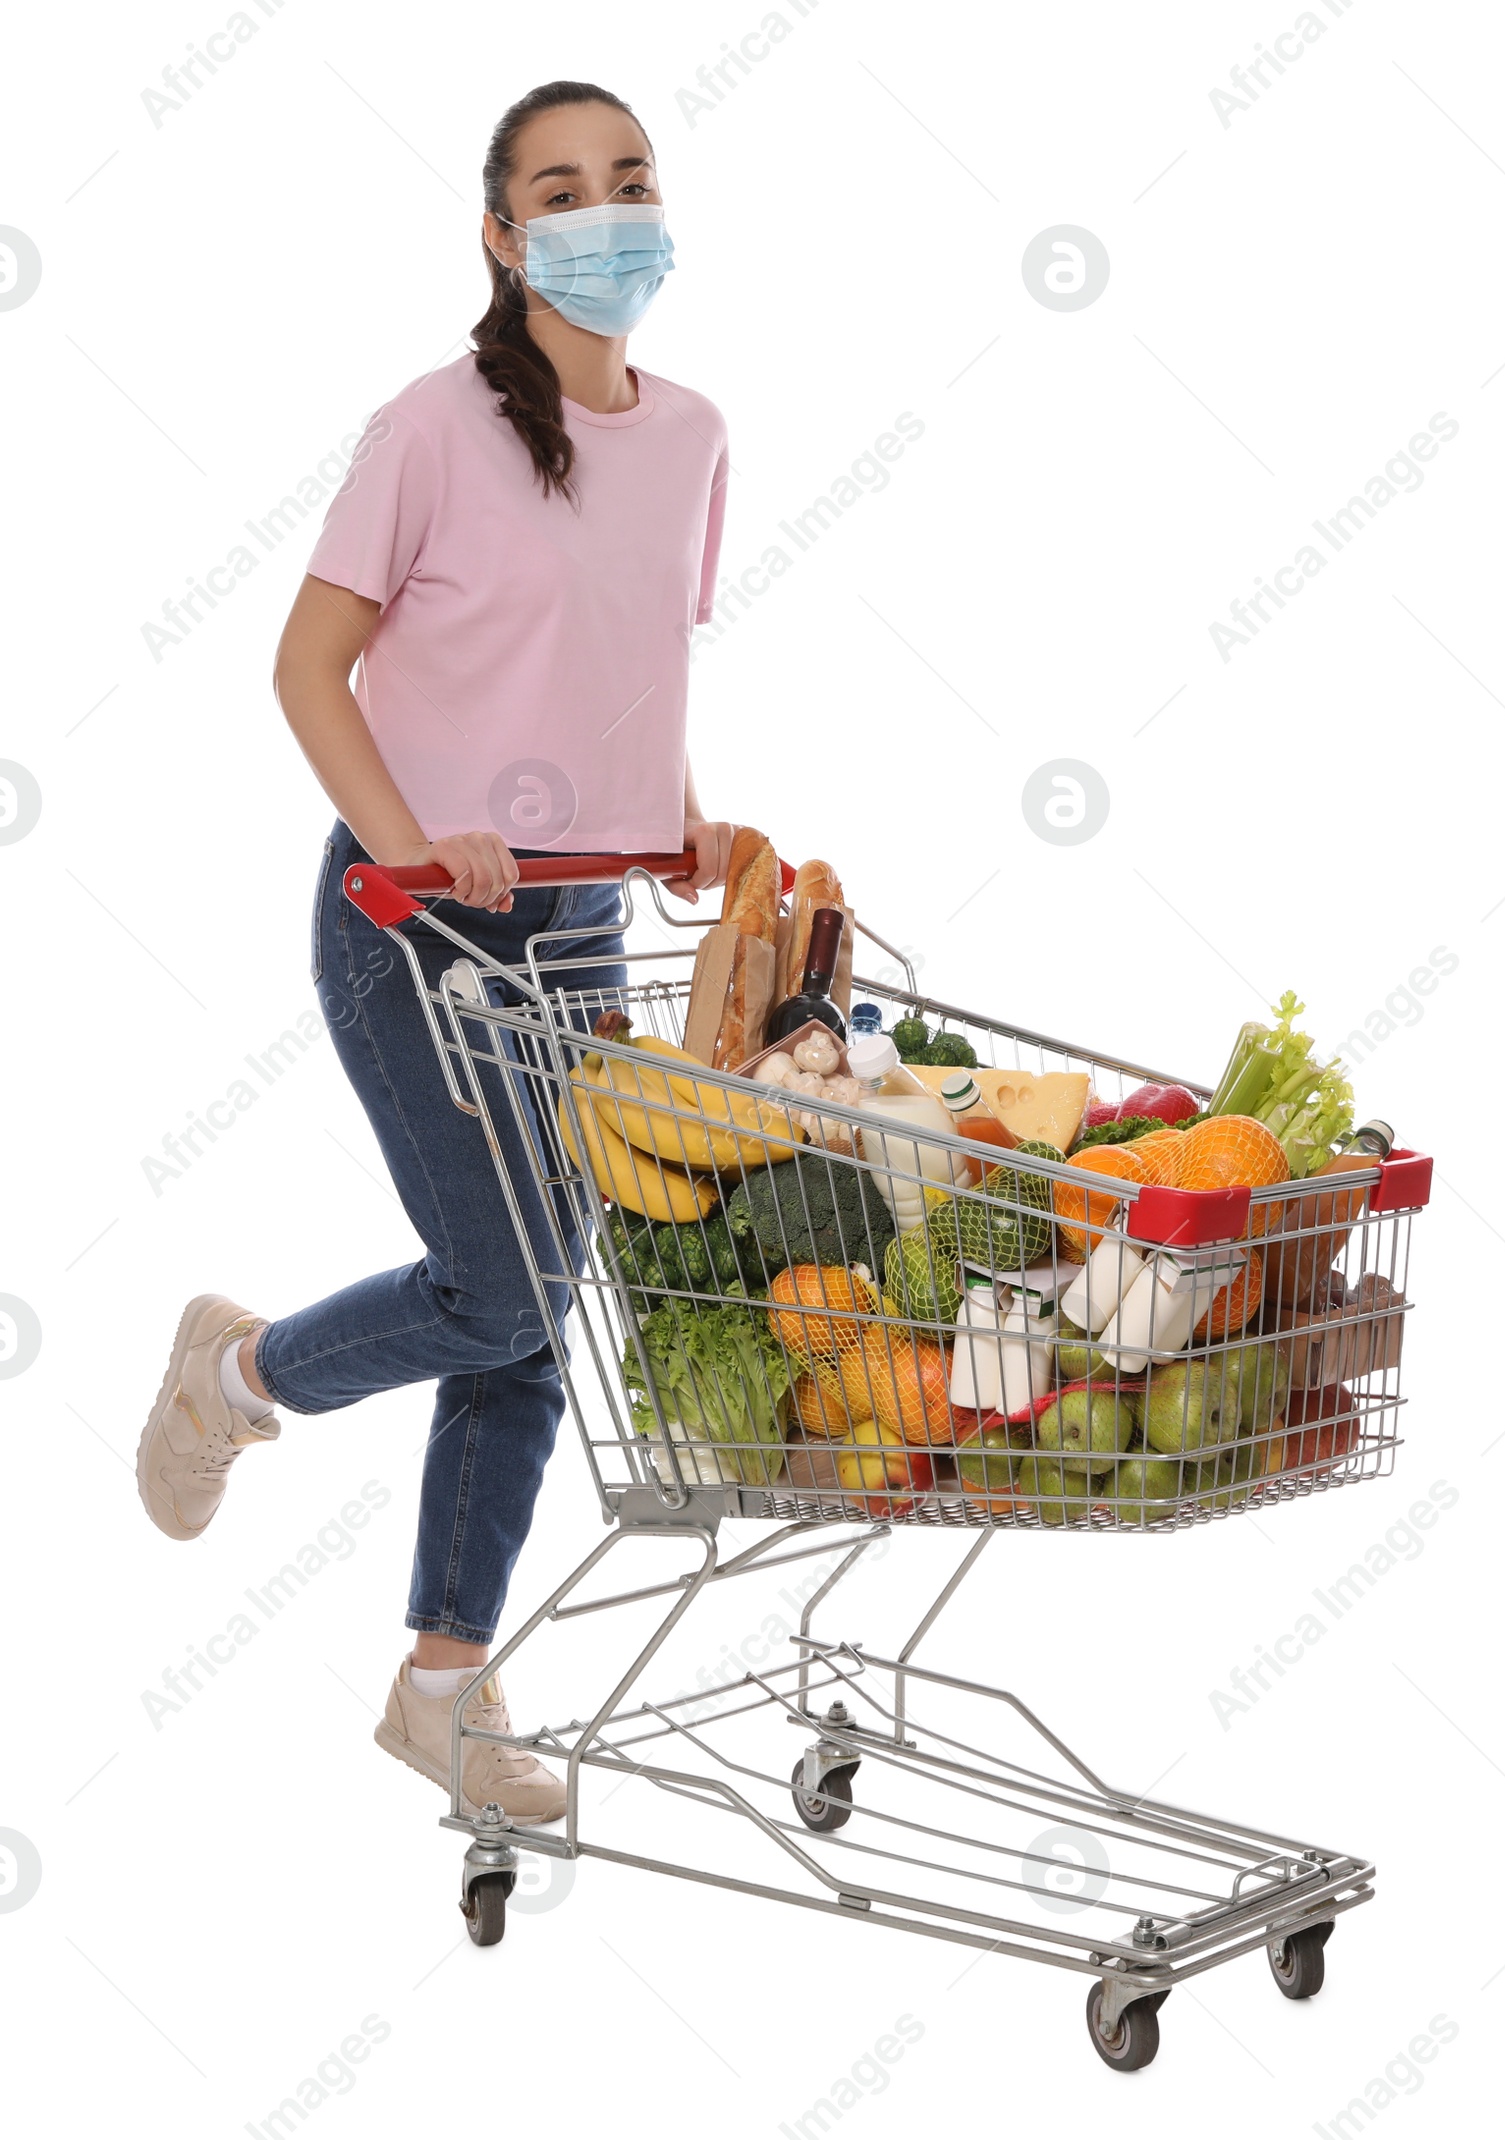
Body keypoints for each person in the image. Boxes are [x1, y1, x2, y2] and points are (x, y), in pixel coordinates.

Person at [136, 81, 735, 1825]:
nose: (608, 213)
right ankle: (235, 1376)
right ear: (503, 235)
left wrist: (680, 811)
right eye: (565, 190)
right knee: (502, 1287)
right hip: (411, 927)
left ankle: (443, 1688)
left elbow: (631, 665)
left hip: (583, 925)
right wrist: (414, 845)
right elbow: (306, 670)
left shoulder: (693, 432)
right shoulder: (431, 427)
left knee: (536, 1309)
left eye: (631, 180)